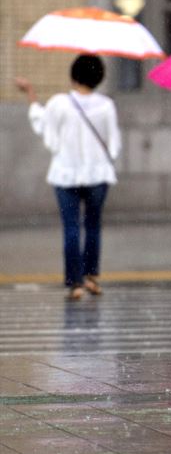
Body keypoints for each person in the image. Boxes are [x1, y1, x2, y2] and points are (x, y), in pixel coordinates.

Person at [14, 55, 121, 300]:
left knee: (71, 227)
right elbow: (114, 144)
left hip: (65, 174)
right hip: (98, 174)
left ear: (73, 75)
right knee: (93, 225)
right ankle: (92, 278)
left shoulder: (59, 103)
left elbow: (45, 129)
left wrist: (30, 92)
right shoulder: (106, 105)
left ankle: (75, 284)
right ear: (99, 78)